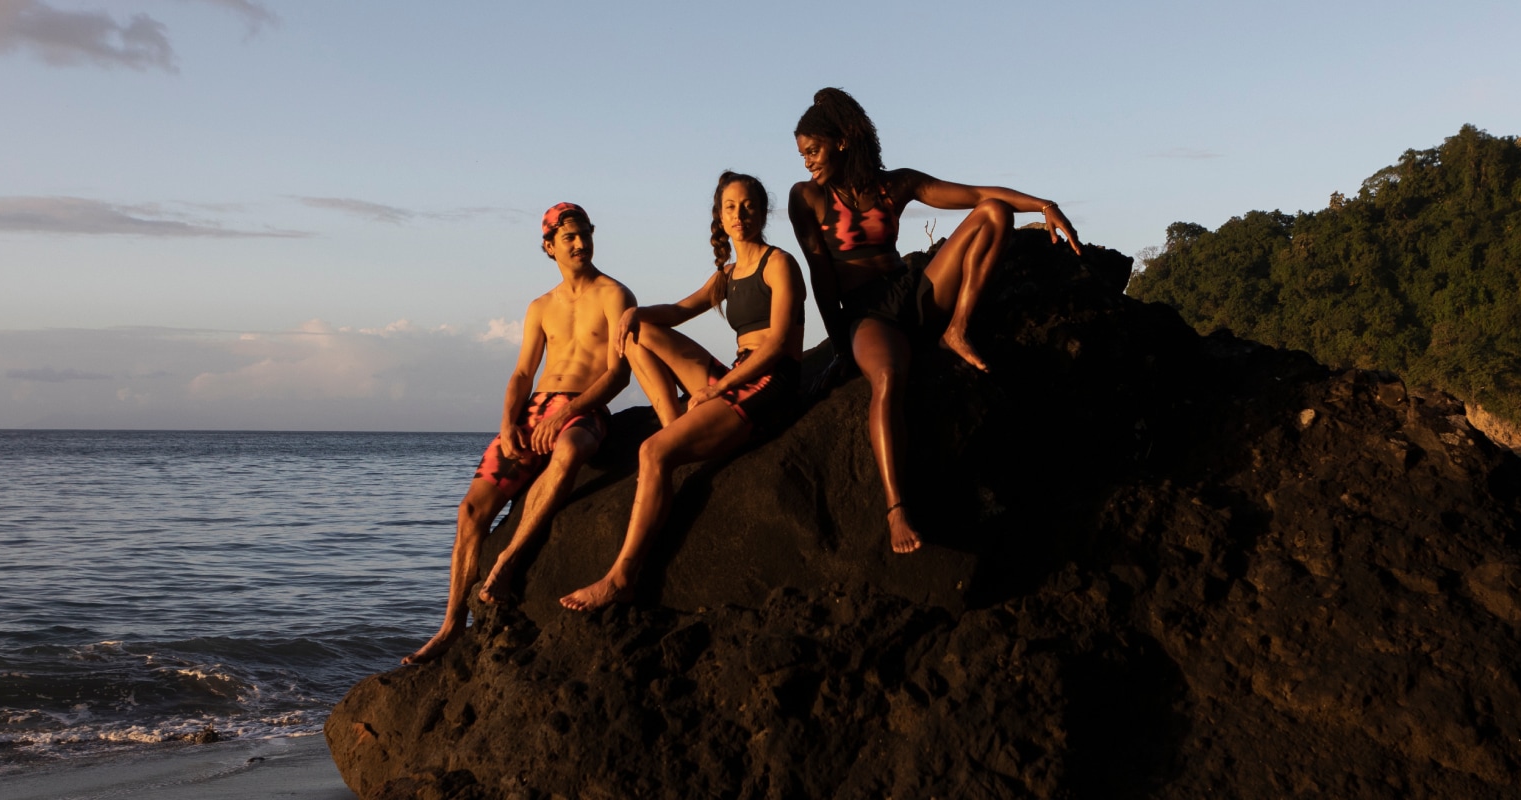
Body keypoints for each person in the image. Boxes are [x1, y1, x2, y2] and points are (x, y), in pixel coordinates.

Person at [787, 87, 1083, 554]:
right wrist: (841, 347)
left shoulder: (895, 184)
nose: (806, 162)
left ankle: (956, 329)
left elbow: (979, 194)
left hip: (913, 291)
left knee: (994, 213)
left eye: (812, 151)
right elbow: (821, 277)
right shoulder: (806, 197)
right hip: (867, 314)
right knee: (887, 379)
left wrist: (1044, 204)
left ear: (842, 140)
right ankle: (896, 508)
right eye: (802, 154)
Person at [560, 171, 804, 611]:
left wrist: (721, 388)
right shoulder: (728, 274)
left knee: (653, 452)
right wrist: (632, 313)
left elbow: (779, 343)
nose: (739, 214)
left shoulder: (779, 263)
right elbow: (677, 311)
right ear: (720, 215)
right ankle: (677, 425)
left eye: (748, 205)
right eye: (730, 207)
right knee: (639, 333)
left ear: (763, 211)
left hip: (771, 381)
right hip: (738, 375)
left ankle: (619, 579)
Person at [403, 202, 634, 663]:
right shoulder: (541, 306)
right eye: (568, 237)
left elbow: (618, 373)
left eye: (584, 233)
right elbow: (522, 375)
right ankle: (450, 626)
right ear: (549, 247)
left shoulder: (614, 294)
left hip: (583, 407)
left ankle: (506, 562)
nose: (579, 243)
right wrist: (509, 423)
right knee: (470, 510)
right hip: (535, 410)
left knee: (568, 451)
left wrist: (566, 411)